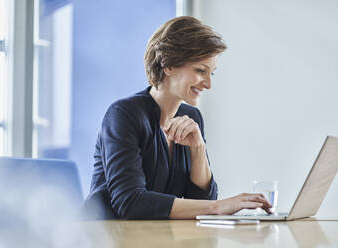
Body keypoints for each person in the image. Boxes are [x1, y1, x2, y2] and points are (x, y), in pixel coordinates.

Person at [82, 16, 272, 220]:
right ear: (168, 64)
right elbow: (130, 203)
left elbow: (200, 201)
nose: (208, 84)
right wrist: (217, 207)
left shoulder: (191, 117)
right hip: (107, 236)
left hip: (156, 237)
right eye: (200, 71)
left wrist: (198, 148)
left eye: (212, 74)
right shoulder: (124, 114)